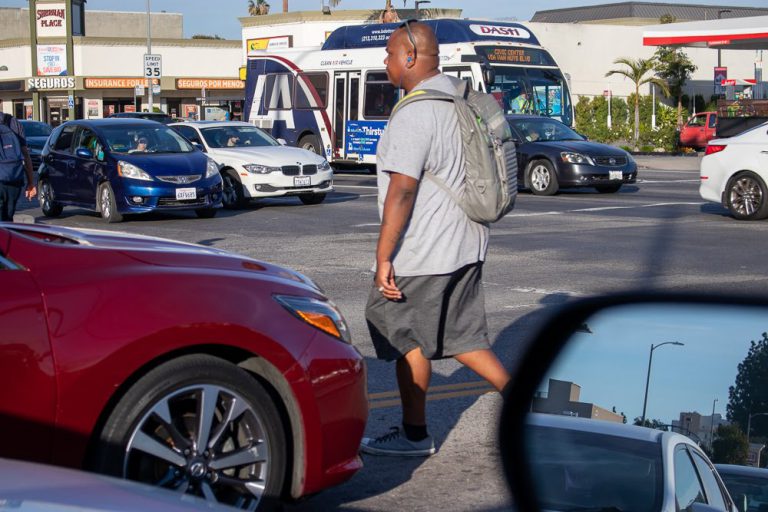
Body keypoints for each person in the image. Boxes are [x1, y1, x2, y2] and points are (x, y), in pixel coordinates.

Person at [361, 20, 510, 457]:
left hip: (424, 251)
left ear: (410, 57)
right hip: (467, 242)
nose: (385, 62)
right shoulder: (459, 100)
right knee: (463, 339)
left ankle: (413, 435)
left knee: (399, 332)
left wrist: (384, 255)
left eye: (389, 54)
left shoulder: (415, 112)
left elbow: (402, 190)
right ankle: (530, 406)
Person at [0, 112, 37, 221]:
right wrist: (31, 183)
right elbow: (25, 154)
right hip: (14, 177)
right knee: (8, 217)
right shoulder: (13, 122)